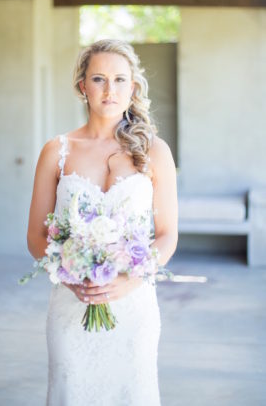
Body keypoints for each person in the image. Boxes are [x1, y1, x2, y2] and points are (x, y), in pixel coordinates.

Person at [27, 39, 178, 406]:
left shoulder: (155, 151)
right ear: (83, 86)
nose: (110, 90)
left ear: (133, 87)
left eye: (120, 80)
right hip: (71, 304)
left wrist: (132, 280)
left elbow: (167, 234)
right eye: (99, 79)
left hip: (134, 306)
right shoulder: (57, 151)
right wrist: (70, 275)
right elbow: (36, 235)